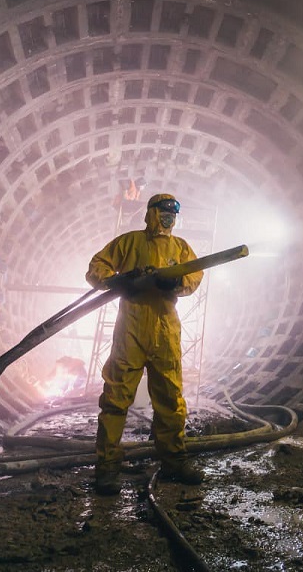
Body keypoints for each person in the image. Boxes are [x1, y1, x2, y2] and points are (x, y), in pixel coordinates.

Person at [86, 193, 205, 494]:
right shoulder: (129, 242)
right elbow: (97, 266)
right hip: (132, 329)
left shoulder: (180, 248)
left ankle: (174, 461)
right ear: (150, 213)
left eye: (172, 213)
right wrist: (117, 280)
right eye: (162, 211)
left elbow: (194, 275)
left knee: (170, 400)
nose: (168, 217)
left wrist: (176, 283)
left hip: (165, 330)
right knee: (115, 399)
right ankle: (107, 468)